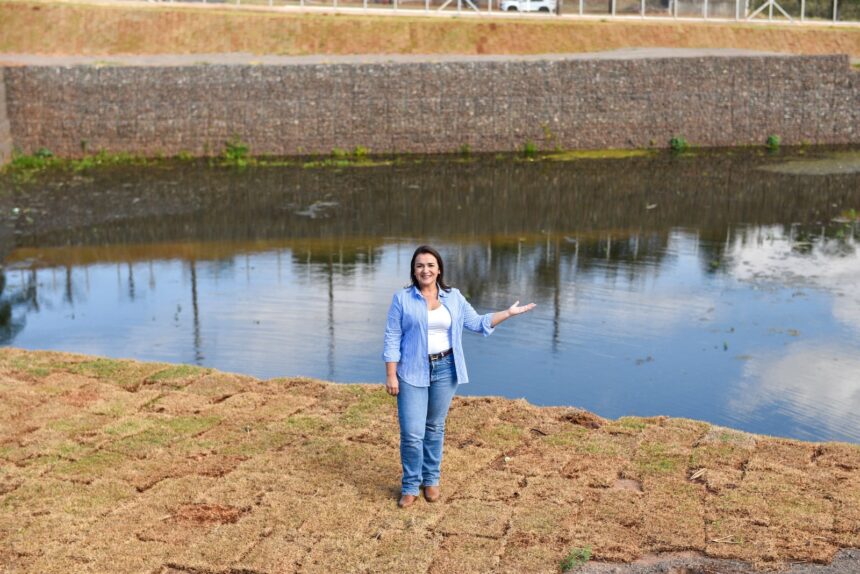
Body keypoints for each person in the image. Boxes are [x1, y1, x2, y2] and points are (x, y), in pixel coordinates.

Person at [383, 245, 536, 508]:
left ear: (439, 269)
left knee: (434, 427)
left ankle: (430, 479)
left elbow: (477, 323)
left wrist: (508, 314)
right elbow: (392, 337)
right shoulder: (402, 299)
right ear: (414, 270)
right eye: (420, 265)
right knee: (412, 433)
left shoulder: (453, 297)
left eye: (430, 265)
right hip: (410, 371)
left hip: (445, 369)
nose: (425, 270)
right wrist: (391, 375)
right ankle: (410, 485)